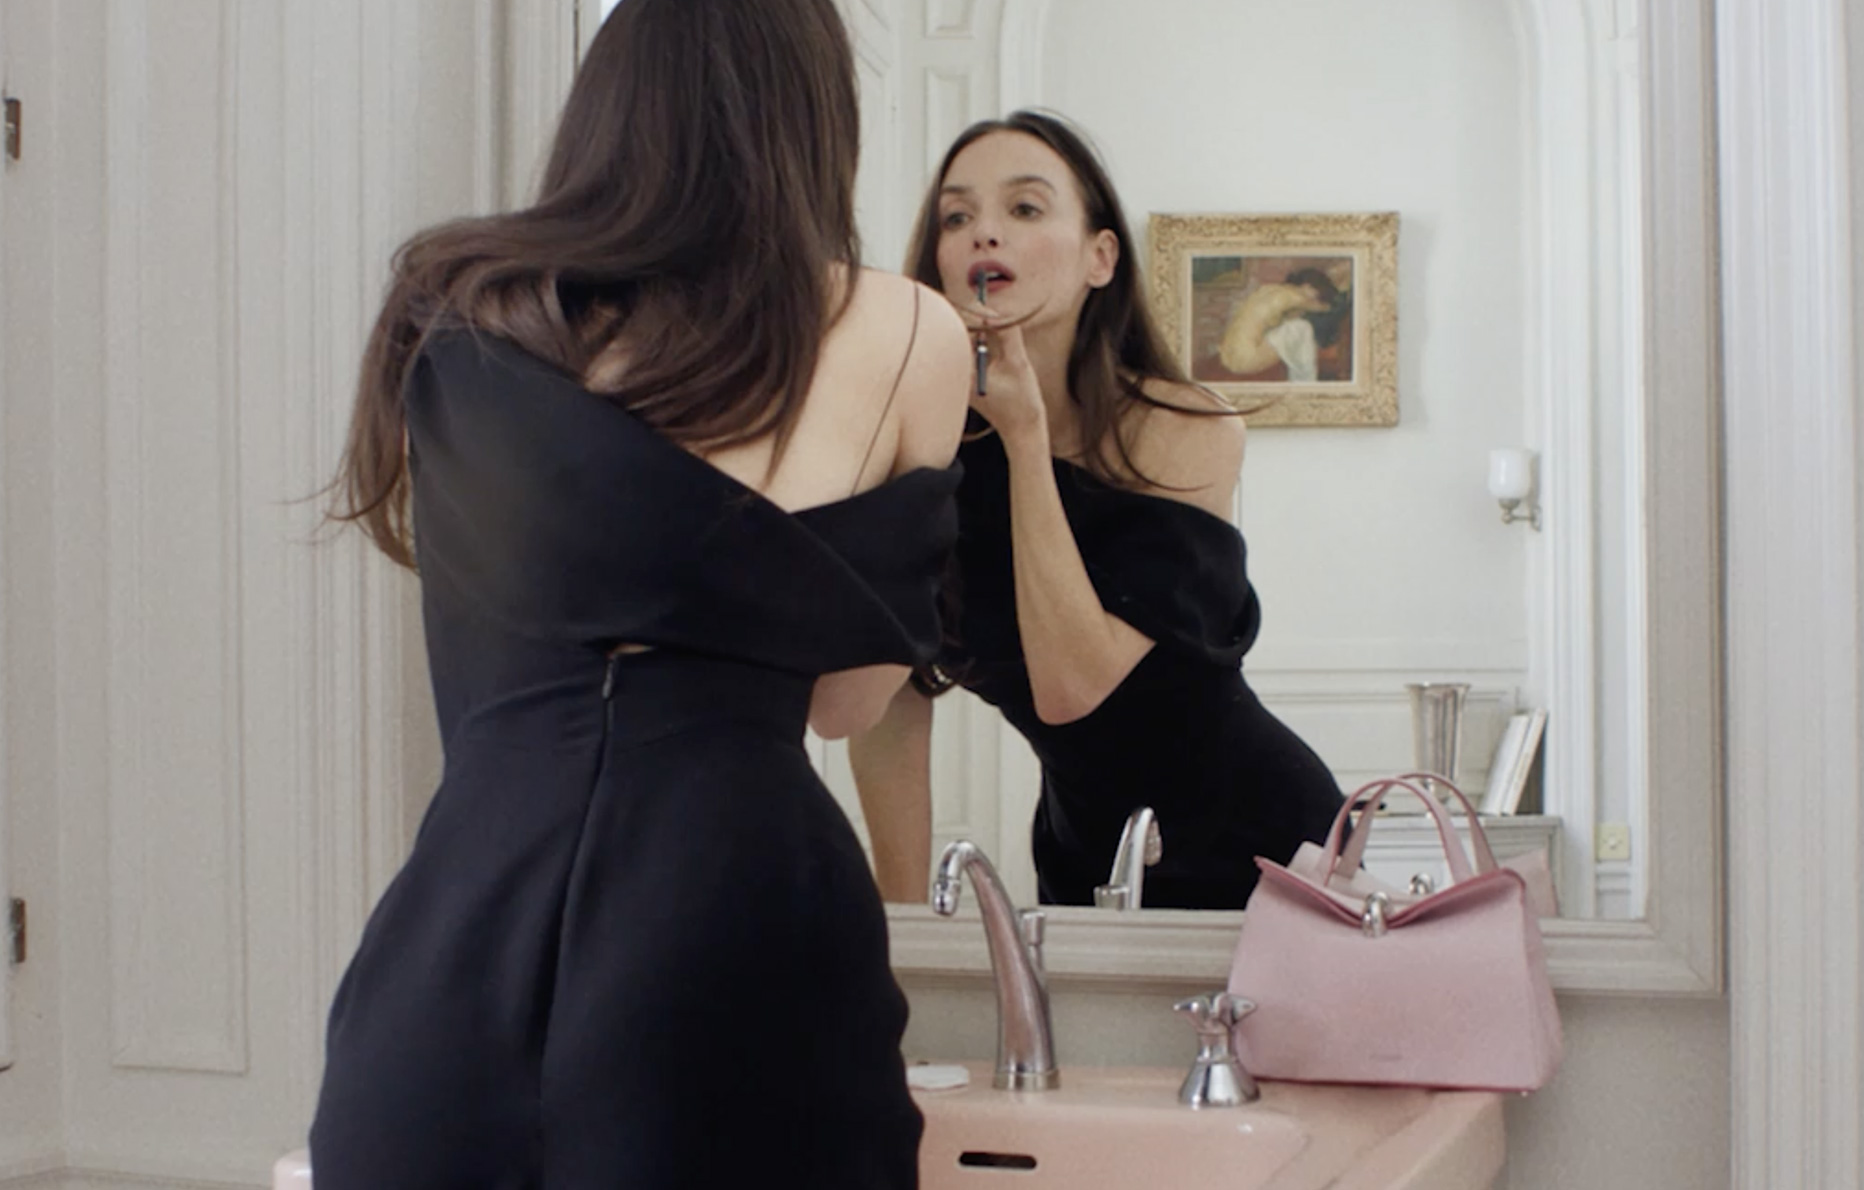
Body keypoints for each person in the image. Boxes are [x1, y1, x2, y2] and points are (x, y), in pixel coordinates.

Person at [310, 0, 971, 1184]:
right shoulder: (906, 326)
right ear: (815, 116)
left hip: (465, 922)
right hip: (740, 916)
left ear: (608, 101)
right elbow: (847, 703)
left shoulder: (460, 307)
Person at [851, 111, 1343, 910]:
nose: (985, 236)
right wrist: (905, 927)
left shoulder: (1185, 428)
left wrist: (1023, 435)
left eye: (1025, 209)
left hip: (1262, 844)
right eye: (957, 216)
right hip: (1087, 856)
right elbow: (886, 695)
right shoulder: (917, 444)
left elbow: (1075, 686)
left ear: (1100, 257)